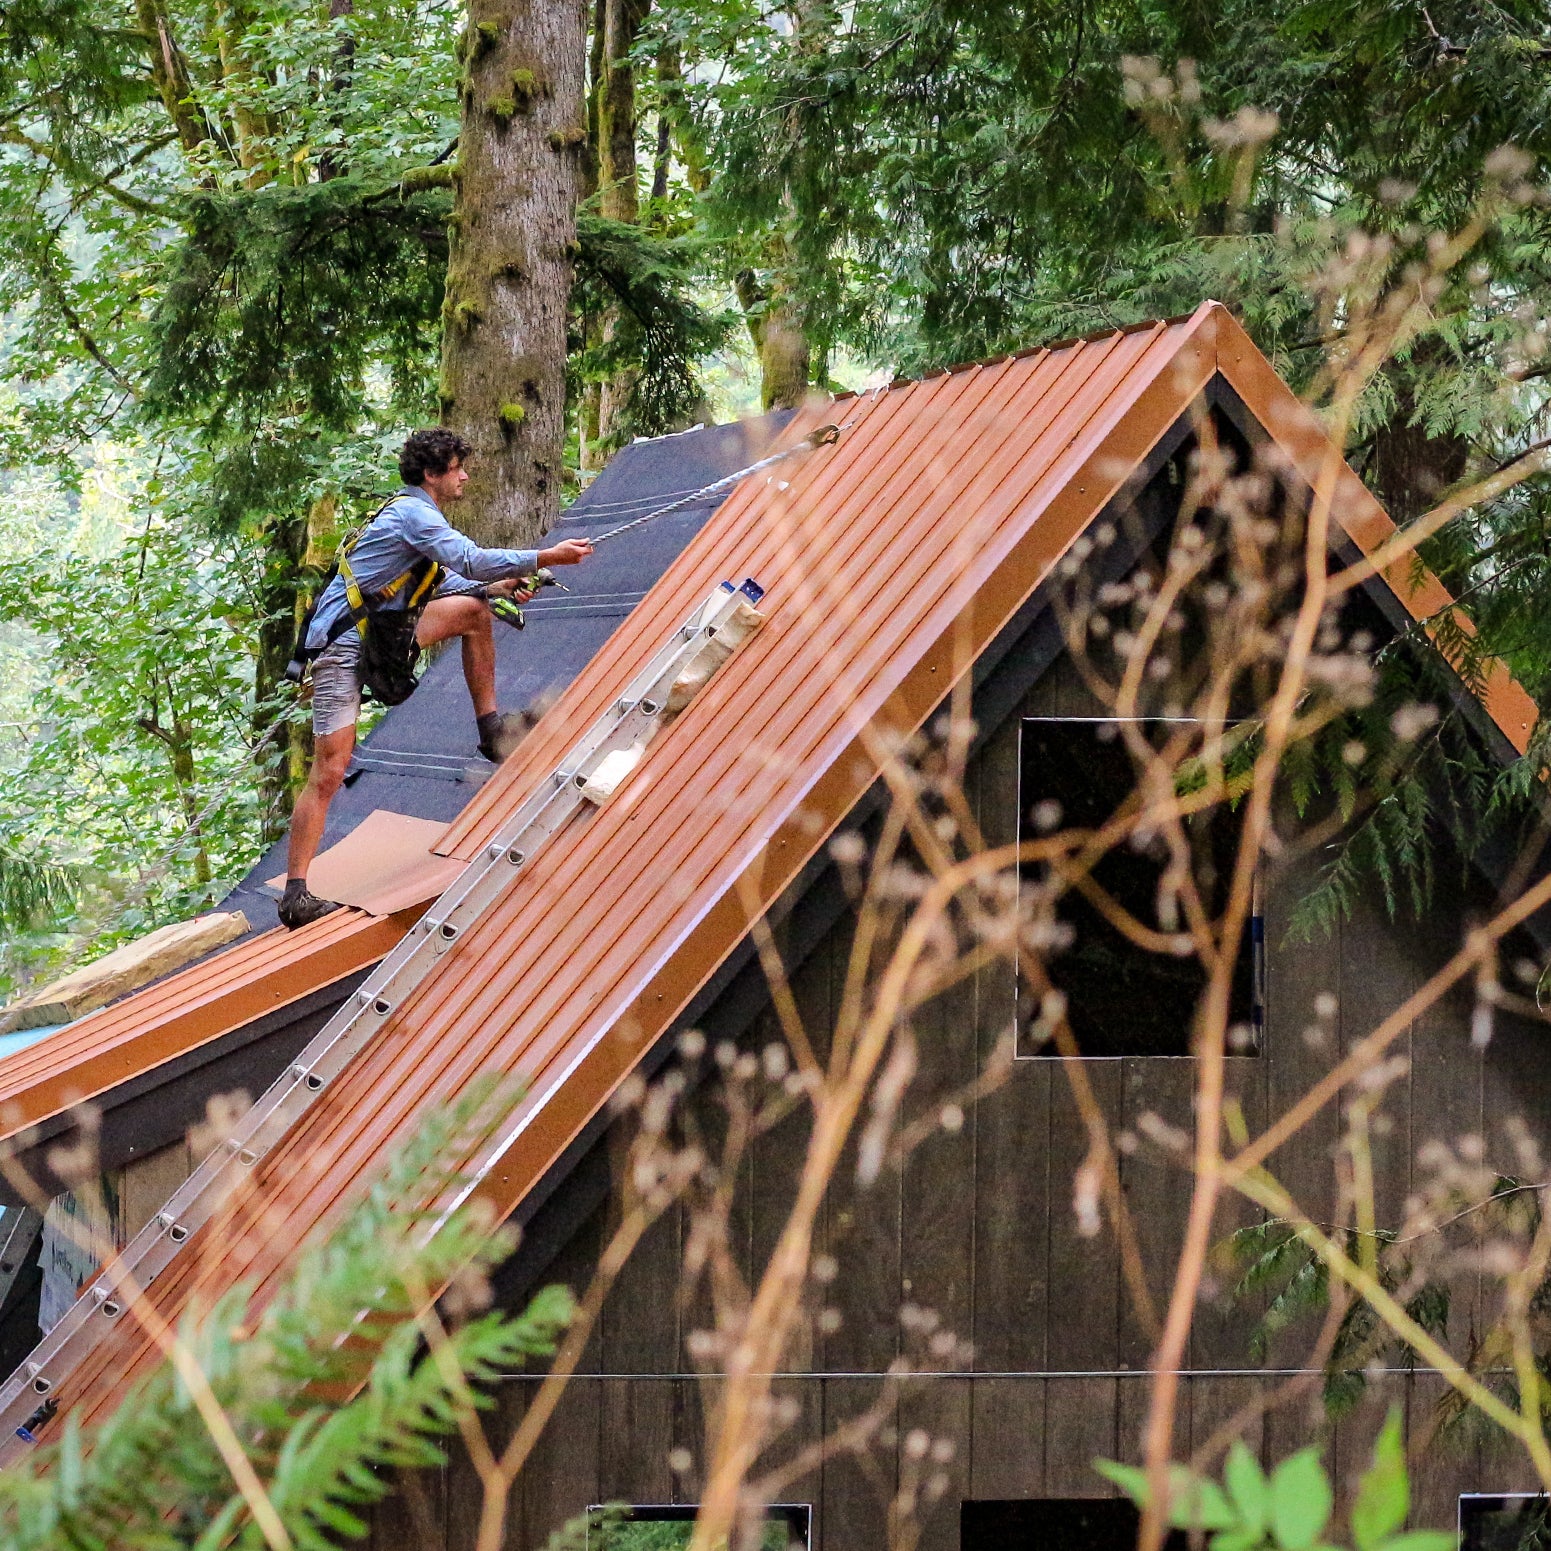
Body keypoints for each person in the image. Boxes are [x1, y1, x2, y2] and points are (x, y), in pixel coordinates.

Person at [278, 428, 592, 929]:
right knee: (331, 769)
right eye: (456, 468)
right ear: (431, 474)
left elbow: (446, 581)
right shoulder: (413, 514)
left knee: (473, 611)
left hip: (379, 635)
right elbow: (470, 559)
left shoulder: (413, 518)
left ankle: (490, 729)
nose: (464, 476)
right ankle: (296, 893)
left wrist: (500, 585)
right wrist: (546, 556)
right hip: (343, 646)